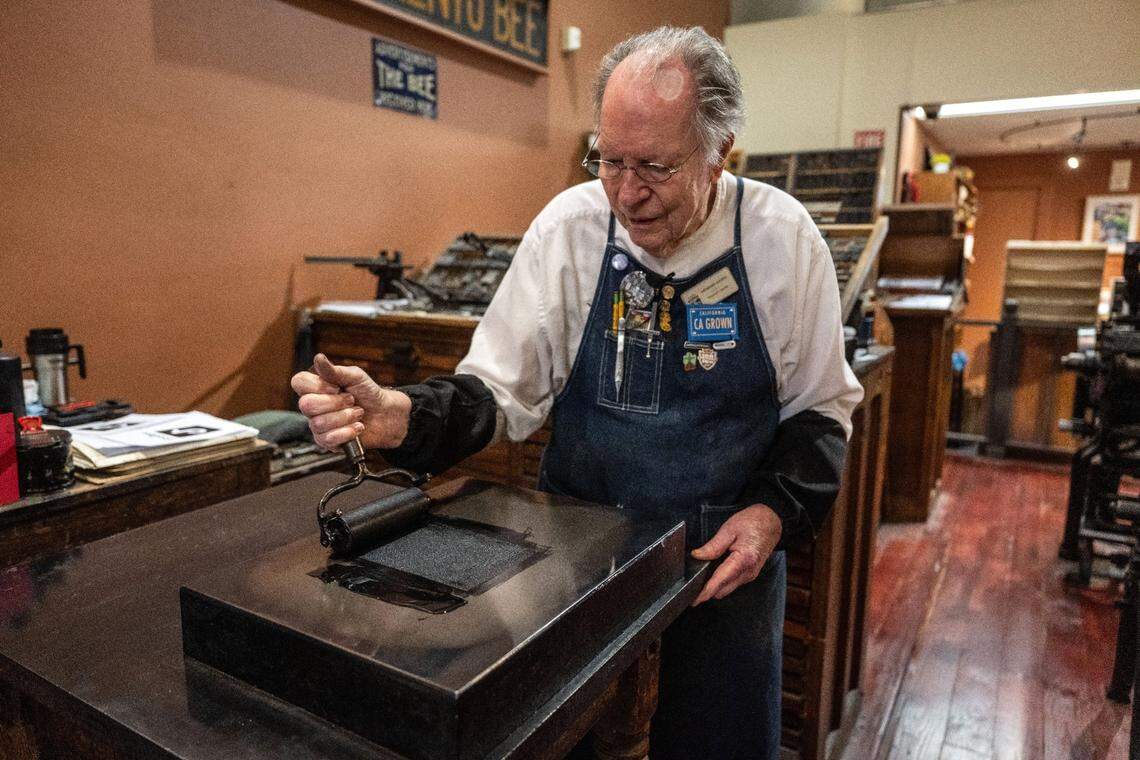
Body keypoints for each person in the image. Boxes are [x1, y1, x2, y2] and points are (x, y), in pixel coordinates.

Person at [292, 25, 862, 760]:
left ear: (722, 154)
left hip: (720, 571)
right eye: (610, 161)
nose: (627, 193)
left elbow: (821, 413)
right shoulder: (572, 228)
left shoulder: (782, 240)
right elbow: (500, 390)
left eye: (655, 166)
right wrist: (402, 415)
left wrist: (771, 516)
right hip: (576, 569)